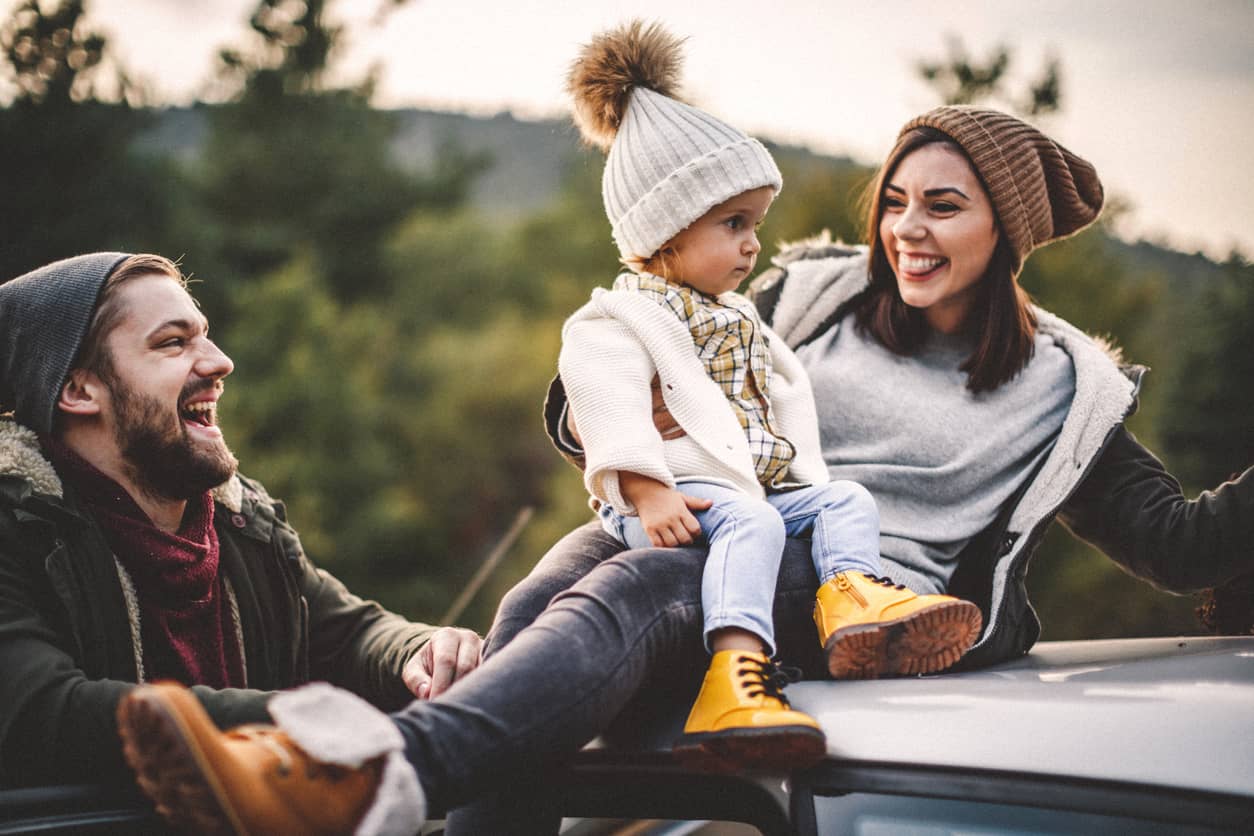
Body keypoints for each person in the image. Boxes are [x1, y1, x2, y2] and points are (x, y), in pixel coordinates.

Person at [115, 103, 1253, 835]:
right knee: (529, 607)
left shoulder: (1065, 391)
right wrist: (617, 439)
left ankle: (362, 777)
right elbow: (628, 355)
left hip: (854, 596)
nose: (906, 228)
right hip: (701, 513)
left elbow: (1180, 541)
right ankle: (378, 792)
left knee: (640, 590)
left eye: (943, 207)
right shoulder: (806, 295)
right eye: (895, 200)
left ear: (1007, 229)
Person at [557, 20, 980, 770]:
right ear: (665, 233)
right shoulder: (621, 315)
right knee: (751, 521)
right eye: (734, 224)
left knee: (845, 502)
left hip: (743, 490)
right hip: (668, 501)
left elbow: (778, 395)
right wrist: (647, 489)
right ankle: (734, 669)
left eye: (756, 223)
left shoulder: (739, 312)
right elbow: (601, 398)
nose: (754, 244)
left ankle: (850, 604)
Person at [0, 252, 482, 789]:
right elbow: (42, 712)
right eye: (173, 343)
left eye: (204, 336)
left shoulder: (242, 523)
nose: (218, 362)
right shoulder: (17, 527)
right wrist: (293, 720)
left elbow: (348, 635)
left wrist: (420, 651)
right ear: (79, 390)